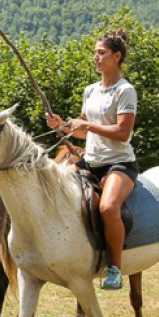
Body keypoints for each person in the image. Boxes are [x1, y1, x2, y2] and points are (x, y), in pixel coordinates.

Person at [46, 29, 138, 291]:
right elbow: (83, 132)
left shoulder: (125, 90)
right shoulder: (90, 91)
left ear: (117, 56)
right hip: (91, 160)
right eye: (95, 53)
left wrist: (87, 125)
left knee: (108, 208)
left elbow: (122, 133)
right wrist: (63, 126)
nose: (96, 57)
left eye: (101, 53)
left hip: (119, 163)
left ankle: (115, 269)